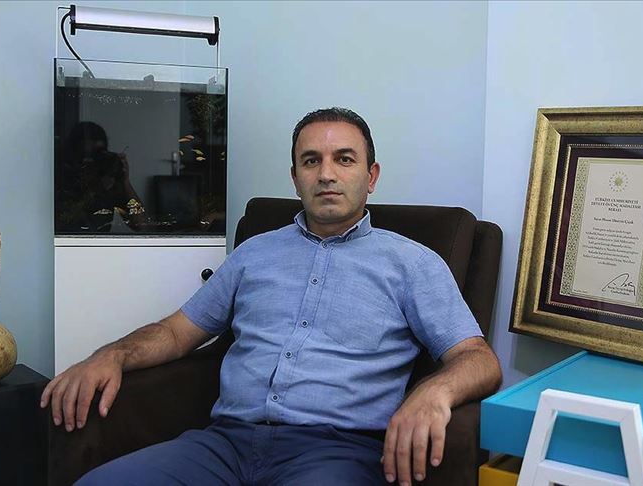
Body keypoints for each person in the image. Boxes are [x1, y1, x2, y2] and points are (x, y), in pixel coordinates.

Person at [41, 107, 502, 485]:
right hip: (223, 445)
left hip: (335, 455)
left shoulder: (412, 263)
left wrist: (434, 392)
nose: (326, 174)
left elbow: (478, 358)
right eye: (311, 161)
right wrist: (112, 355)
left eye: (344, 159)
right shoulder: (254, 254)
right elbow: (177, 332)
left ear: (371, 175)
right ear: (295, 176)